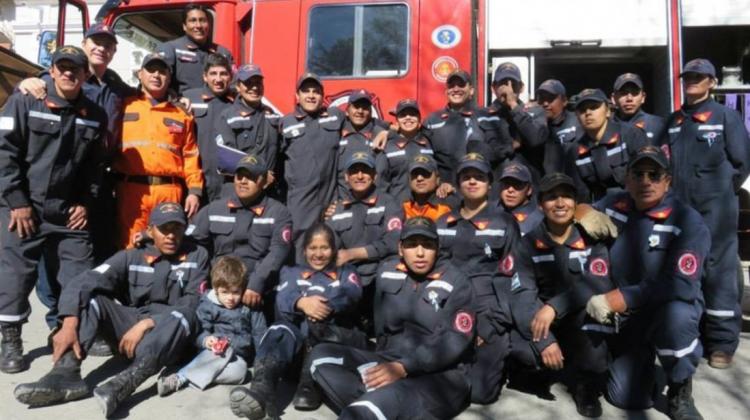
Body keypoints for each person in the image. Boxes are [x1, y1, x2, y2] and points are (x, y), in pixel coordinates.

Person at [13, 202, 209, 417]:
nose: (171, 236)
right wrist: (68, 322)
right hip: (132, 329)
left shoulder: (197, 256)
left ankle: (122, 384)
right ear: (150, 230)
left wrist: (147, 324)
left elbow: (193, 303)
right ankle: (65, 373)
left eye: (177, 228)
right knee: (92, 299)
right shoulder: (133, 256)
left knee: (185, 315)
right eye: (164, 229)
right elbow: (85, 281)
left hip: (170, 338)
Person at [0, 46, 106, 374]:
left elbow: (95, 167)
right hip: (24, 206)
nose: (69, 73)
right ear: (53, 69)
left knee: (78, 272)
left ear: (86, 74)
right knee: (16, 274)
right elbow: (3, 153)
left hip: (66, 211)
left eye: (76, 68)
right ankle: (9, 339)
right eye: (63, 67)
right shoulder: (25, 100)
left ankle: (66, 329)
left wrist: (85, 203)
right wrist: (17, 202)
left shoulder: (94, 114)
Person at [584, 146, 710, 420]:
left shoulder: (687, 221)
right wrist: (582, 212)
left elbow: (683, 285)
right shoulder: (615, 204)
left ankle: (680, 389)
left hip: (665, 308)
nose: (645, 181)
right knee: (626, 398)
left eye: (654, 175)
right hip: (629, 316)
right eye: (638, 174)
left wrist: (625, 297)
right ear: (627, 179)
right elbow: (581, 209)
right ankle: (643, 363)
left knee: (677, 317)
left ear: (668, 181)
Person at [308, 217, 476, 419]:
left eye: (428, 245)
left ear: (438, 249)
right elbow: (380, 322)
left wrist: (404, 367)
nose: (420, 253)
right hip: (391, 360)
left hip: (440, 376)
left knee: (361, 412)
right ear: (400, 248)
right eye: (412, 245)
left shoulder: (457, 282)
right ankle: (388, 405)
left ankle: (379, 405)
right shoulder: (387, 272)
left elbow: (454, 341)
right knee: (320, 356)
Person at [658, 58, 750, 369]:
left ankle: (722, 343)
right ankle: (691, 336)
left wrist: (720, 191)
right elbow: (662, 164)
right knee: (686, 269)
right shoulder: (674, 122)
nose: (692, 82)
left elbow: (741, 164)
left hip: (716, 210)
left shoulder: (726, 117)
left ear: (712, 82)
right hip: (681, 211)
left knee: (719, 272)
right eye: (688, 77)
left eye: (699, 77)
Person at [229, 223, 367, 418]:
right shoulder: (291, 271)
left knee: (318, 323)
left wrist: (323, 308)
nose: (318, 254)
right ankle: (262, 390)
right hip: (296, 352)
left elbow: (352, 294)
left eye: (324, 248)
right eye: (313, 248)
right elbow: (283, 297)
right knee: (278, 328)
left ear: (334, 250)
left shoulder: (347, 272)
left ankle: (309, 385)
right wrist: (301, 302)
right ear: (304, 250)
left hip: (333, 349)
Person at [514, 173, 616, 418]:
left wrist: (555, 306)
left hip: (579, 316)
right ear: (540, 204)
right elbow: (521, 294)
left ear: (575, 203)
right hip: (544, 320)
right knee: (519, 351)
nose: (560, 204)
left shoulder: (592, 240)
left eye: (567, 197)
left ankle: (586, 386)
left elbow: (598, 281)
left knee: (595, 343)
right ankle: (546, 369)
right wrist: (544, 340)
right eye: (551, 197)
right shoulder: (527, 244)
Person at [435, 152, 522, 404]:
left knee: (479, 394)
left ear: (489, 184)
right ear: (458, 183)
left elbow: (514, 277)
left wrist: (491, 325)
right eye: (466, 177)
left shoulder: (505, 222)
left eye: (479, 177)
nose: (472, 182)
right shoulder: (443, 222)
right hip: (449, 307)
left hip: (489, 311)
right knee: (438, 381)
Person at [113, 53, 203, 248]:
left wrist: (194, 191)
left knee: (166, 247)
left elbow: (190, 155)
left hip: (169, 190)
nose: (156, 75)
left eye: (162, 72)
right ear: (140, 74)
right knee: (130, 247)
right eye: (151, 70)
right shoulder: (124, 106)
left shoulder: (181, 114)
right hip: (132, 192)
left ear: (169, 78)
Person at [188, 154, 292, 312]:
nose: (243, 181)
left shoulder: (278, 212)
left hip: (256, 292)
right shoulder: (214, 209)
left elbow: (278, 252)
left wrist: (257, 284)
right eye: (239, 176)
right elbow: (191, 243)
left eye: (250, 177)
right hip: (218, 291)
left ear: (264, 181)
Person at [156, 255, 267, 396]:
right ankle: (179, 378)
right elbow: (199, 331)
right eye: (225, 292)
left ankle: (194, 376)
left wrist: (262, 364)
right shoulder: (208, 305)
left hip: (239, 357)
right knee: (224, 349)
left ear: (243, 289)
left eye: (236, 292)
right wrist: (206, 340)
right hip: (214, 353)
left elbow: (260, 335)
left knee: (241, 372)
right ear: (215, 289)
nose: (231, 298)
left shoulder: (249, 308)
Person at [279, 73, 345, 253]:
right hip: (301, 199)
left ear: (322, 96)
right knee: (300, 245)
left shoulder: (336, 116)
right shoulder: (286, 123)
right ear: (297, 96)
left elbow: (363, 125)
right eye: (306, 91)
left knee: (331, 245)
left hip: (330, 198)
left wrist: (385, 131)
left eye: (316, 92)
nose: (311, 95)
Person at [424, 69, 513, 190]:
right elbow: (426, 156)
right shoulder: (432, 120)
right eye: (451, 86)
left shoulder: (488, 116)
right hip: (446, 191)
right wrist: (440, 182)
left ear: (471, 90)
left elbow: (504, 148)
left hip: (480, 190)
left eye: (461, 85)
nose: (456, 89)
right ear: (446, 91)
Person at [564, 88, 649, 203]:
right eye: (582, 110)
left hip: (635, 206)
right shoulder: (574, 151)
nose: (588, 113)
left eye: (594, 107)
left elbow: (646, 178)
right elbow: (580, 194)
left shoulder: (631, 135)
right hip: (599, 213)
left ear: (608, 111)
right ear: (577, 116)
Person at [213, 64, 281, 200]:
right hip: (237, 192)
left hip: (267, 193)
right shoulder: (227, 116)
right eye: (248, 83)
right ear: (238, 87)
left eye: (258, 83)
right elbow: (226, 157)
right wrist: (260, 172)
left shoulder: (272, 115)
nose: (254, 88)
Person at [182, 54, 236, 202]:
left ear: (230, 77)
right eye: (213, 73)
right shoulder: (189, 98)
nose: (218, 79)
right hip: (196, 182)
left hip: (227, 184)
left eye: (223, 74)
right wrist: (175, 98)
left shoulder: (237, 102)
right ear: (205, 77)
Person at [487, 62, 548, 180]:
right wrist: (510, 147)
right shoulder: (482, 115)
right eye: (503, 84)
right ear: (493, 87)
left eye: (513, 84)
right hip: (496, 187)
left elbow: (536, 139)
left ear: (522, 87)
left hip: (529, 188)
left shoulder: (536, 112)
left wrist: (513, 105)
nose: (509, 90)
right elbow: (480, 152)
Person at [156, 3, 233, 95]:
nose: (198, 25)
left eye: (203, 20)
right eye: (193, 20)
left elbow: (234, 85)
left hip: (217, 108)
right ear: (184, 26)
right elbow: (158, 83)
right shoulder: (170, 49)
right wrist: (175, 100)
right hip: (183, 107)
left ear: (209, 24)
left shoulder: (223, 53)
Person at [377, 99, 437, 203]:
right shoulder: (387, 145)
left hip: (429, 207)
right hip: (398, 207)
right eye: (403, 115)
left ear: (419, 120)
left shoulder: (430, 141)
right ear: (397, 121)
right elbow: (380, 183)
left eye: (413, 114)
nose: (408, 118)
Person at [335, 89, 388, 198]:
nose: (360, 111)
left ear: (370, 112)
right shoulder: (336, 132)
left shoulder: (379, 133)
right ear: (346, 111)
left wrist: (388, 133)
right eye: (356, 106)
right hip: (343, 204)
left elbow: (382, 177)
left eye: (365, 107)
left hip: (372, 202)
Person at [537, 79, 583, 174]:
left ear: (564, 101)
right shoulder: (534, 126)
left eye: (550, 98)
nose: (545, 103)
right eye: (541, 99)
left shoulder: (578, 122)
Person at [611, 72, 665, 141]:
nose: (629, 98)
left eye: (634, 93)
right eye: (623, 93)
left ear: (643, 97)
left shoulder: (659, 125)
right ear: (613, 98)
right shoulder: (604, 128)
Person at [402, 154, 455, 222]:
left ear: (437, 179)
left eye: (425, 173)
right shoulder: (401, 206)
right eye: (415, 173)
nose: (419, 178)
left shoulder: (450, 204)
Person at [497, 162, 543, 235]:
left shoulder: (540, 221)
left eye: (517, 184)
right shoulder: (488, 212)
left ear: (529, 190)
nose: (510, 190)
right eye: (506, 183)